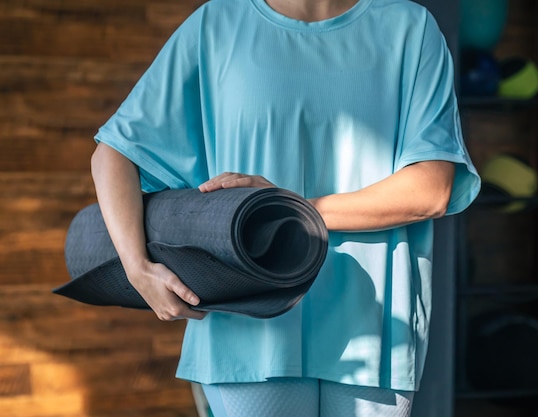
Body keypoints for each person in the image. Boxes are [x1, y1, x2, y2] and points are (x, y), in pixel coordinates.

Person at [89, 0, 481, 415]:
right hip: (249, 325)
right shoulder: (217, 24)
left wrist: (288, 210)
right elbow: (114, 154)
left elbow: (432, 189)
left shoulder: (410, 28)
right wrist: (138, 269)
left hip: (373, 326)